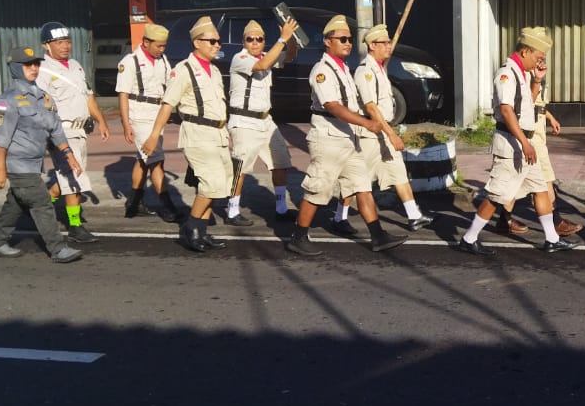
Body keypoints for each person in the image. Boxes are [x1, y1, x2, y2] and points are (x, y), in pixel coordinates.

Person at [283, 15, 408, 256]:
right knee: (318, 188)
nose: (347, 43)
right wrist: (367, 123)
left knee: (362, 186)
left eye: (349, 39)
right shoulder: (322, 70)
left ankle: (378, 235)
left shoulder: (343, 69)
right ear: (327, 41)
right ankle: (298, 236)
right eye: (342, 39)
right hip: (328, 137)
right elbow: (333, 105)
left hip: (347, 137)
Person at [455, 27, 576, 256]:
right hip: (512, 145)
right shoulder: (507, 73)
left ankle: (552, 239)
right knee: (496, 195)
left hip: (524, 144)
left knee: (540, 189)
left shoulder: (523, 73)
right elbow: (507, 111)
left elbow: (526, 105)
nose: (539, 63)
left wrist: (537, 81)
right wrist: (525, 143)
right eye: (538, 58)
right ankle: (469, 238)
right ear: (524, 51)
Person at [140, 16, 233, 253]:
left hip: (218, 133)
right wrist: (153, 135)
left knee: (220, 185)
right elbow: (168, 104)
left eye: (218, 42)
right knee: (211, 184)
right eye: (212, 41)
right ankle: (190, 228)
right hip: (198, 133)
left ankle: (201, 232)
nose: (217, 45)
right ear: (197, 42)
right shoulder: (184, 70)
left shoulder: (213, 70)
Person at [0, 45, 84, 263]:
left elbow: (55, 129)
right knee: (41, 203)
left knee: (17, 203)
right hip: (18, 164)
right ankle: (58, 248)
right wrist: (0, 170)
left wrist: (68, 154)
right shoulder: (7, 100)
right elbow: (0, 138)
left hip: (34, 163)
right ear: (16, 68)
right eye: (28, 64)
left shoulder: (43, 97)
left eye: (36, 64)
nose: (34, 68)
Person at [333, 23, 435, 231]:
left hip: (383, 130)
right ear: (372, 45)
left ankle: (414, 215)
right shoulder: (365, 72)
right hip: (370, 133)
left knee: (398, 172)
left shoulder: (379, 69)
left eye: (389, 42)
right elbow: (371, 107)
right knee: (358, 179)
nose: (389, 46)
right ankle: (339, 217)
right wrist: (392, 135)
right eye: (384, 43)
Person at [38, 21, 110, 245]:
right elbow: (41, 105)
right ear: (46, 46)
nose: (65, 46)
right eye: (59, 42)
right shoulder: (42, 70)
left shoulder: (76, 66)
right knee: (73, 177)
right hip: (61, 131)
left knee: (68, 177)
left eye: (67, 41)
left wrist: (101, 120)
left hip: (80, 131)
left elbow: (88, 95)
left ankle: (38, 207)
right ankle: (75, 226)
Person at [225, 17, 300, 226]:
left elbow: (291, 56)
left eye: (259, 39)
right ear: (244, 42)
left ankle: (281, 208)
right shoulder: (240, 58)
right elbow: (262, 65)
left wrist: (290, 38)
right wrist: (282, 38)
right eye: (250, 39)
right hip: (244, 121)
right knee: (241, 167)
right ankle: (232, 210)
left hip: (266, 120)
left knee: (280, 162)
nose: (255, 43)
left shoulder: (269, 53)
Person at [500, 57, 583, 236]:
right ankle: (555, 223)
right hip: (531, 134)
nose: (542, 61)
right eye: (538, 57)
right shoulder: (526, 76)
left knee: (519, 182)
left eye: (544, 57)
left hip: (538, 132)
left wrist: (550, 118)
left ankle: (503, 218)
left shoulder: (536, 76)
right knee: (545, 180)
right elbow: (528, 102)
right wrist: (537, 79)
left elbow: (539, 105)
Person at [115, 23, 186, 223]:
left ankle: (134, 203)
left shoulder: (162, 59)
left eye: (164, 46)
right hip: (139, 115)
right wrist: (126, 124)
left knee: (143, 160)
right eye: (158, 46)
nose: (162, 50)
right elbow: (123, 95)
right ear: (146, 42)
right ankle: (168, 206)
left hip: (157, 114)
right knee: (156, 160)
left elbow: (170, 84)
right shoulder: (130, 62)